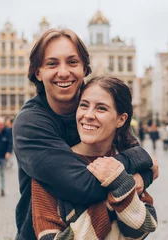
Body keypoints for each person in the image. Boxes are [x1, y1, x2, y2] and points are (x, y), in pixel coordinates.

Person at [13, 28, 157, 239]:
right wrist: (139, 165)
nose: (63, 72)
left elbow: (144, 223)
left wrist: (142, 173)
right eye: (52, 63)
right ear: (38, 72)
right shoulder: (30, 124)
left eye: (72, 62)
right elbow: (82, 186)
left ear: (84, 68)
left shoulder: (102, 106)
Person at [32, 77, 157, 239]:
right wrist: (117, 194)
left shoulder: (127, 164)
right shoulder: (50, 167)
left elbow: (143, 229)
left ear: (121, 119)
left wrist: (122, 183)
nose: (89, 115)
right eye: (84, 105)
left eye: (101, 108)